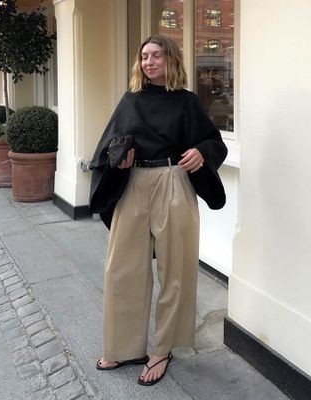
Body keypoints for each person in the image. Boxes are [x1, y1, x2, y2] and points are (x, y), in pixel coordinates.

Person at [89, 35, 227, 386]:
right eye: (145, 56)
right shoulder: (130, 101)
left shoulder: (187, 102)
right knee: (122, 268)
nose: (149, 62)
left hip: (173, 183)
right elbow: (106, 147)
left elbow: (214, 141)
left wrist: (201, 153)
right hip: (134, 184)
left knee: (175, 270)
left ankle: (163, 348)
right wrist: (119, 159)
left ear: (171, 60)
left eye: (157, 56)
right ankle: (123, 346)